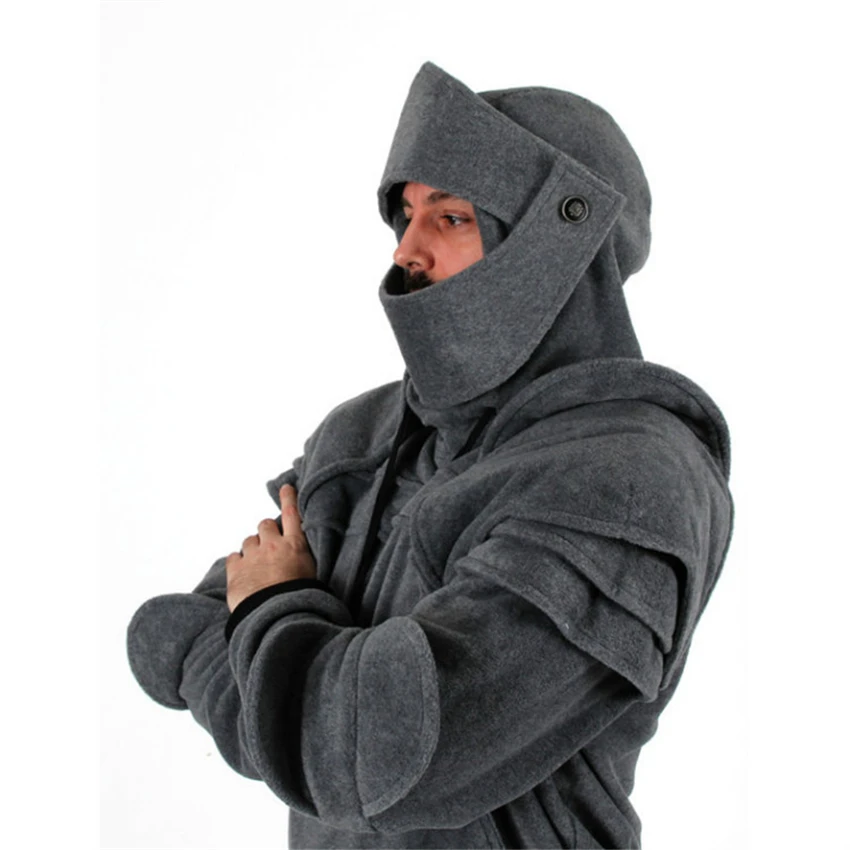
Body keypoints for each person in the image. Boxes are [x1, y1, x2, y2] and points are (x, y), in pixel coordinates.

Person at [127, 62, 733, 849]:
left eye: (450, 218)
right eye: (405, 217)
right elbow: (167, 632)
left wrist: (273, 617)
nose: (406, 252)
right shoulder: (361, 435)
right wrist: (294, 691)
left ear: (557, 242)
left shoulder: (627, 480)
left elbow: (374, 760)